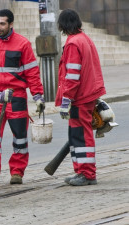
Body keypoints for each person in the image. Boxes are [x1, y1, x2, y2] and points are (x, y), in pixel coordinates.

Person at [0, 9, 45, 185]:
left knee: (19, 137)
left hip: (16, 97)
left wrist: (38, 97)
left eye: (2, 23)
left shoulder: (23, 44)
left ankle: (17, 173)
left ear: (11, 24)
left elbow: (32, 73)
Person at [56, 9, 106, 186]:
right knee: (78, 133)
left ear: (63, 25)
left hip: (80, 96)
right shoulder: (84, 39)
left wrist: (66, 99)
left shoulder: (73, 44)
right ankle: (81, 171)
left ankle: (86, 173)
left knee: (81, 135)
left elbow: (72, 75)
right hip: (88, 93)